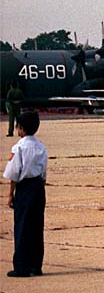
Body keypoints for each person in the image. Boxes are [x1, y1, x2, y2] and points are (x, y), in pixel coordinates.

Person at [4, 111, 47, 277]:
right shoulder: (41, 146)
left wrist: (10, 194)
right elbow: (43, 172)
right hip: (38, 188)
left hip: (25, 187)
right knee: (36, 227)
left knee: (22, 227)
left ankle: (22, 266)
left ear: (20, 128)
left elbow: (14, 173)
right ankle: (36, 265)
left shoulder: (19, 147)